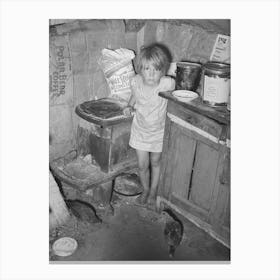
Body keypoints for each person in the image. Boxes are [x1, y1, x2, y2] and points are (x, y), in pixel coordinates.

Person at [123, 43, 175, 207]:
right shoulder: (136, 82)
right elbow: (134, 95)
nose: (151, 74)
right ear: (140, 69)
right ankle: (145, 189)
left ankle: (153, 192)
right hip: (140, 131)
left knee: (156, 162)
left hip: (159, 133)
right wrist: (129, 106)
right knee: (142, 165)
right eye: (147, 69)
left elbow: (177, 87)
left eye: (156, 69)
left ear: (163, 70)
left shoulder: (167, 84)